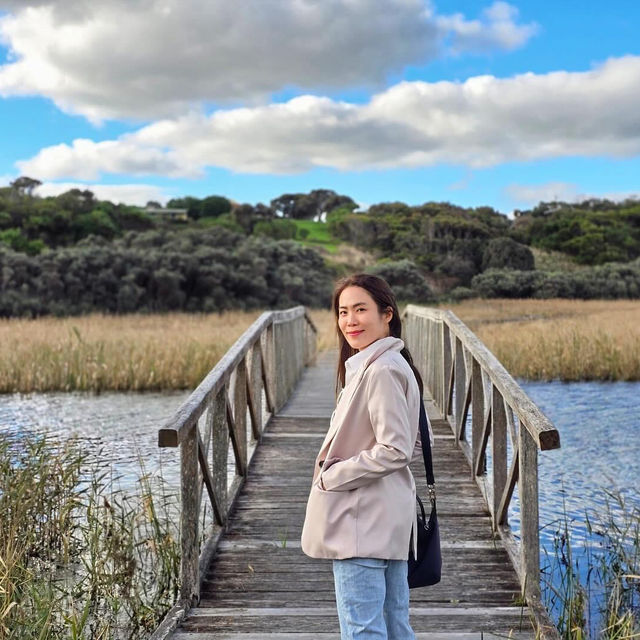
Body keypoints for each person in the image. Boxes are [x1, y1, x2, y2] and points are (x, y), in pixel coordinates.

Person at [301, 273, 432, 640]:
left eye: (361, 310)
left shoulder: (381, 370)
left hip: (361, 522)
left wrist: (332, 476)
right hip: (386, 518)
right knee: (394, 627)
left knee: (363, 632)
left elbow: (396, 449)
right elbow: (419, 441)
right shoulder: (389, 362)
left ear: (386, 313)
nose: (350, 321)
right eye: (343, 312)